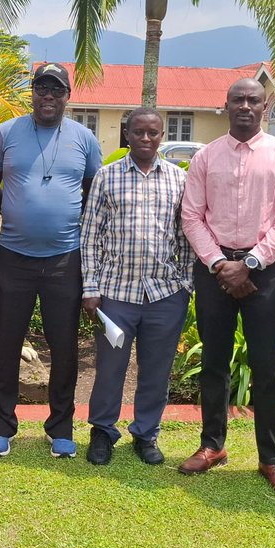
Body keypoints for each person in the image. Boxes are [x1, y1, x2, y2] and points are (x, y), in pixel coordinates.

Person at [178, 78, 275, 497]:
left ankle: (271, 459)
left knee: (266, 367)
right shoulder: (206, 158)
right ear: (225, 105)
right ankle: (212, 445)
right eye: (238, 100)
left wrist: (248, 264)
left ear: (264, 107)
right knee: (214, 362)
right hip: (214, 271)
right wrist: (219, 263)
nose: (245, 106)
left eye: (253, 100)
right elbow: (192, 216)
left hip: (262, 271)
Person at [0, 62, 101, 459]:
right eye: (41, 89)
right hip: (13, 259)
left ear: (68, 96)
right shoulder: (6, 134)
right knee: (6, 344)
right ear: (31, 92)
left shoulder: (84, 139)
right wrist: (18, 212)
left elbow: (91, 192)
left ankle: (60, 427)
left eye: (57, 90)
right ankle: (2, 425)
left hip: (65, 260)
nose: (48, 96)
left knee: (64, 346)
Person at [80, 108, 193, 466]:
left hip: (164, 295)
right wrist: (91, 286)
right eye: (139, 132)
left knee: (156, 370)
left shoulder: (178, 179)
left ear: (162, 136)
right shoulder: (106, 176)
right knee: (110, 368)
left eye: (153, 133)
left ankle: (146, 434)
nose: (146, 139)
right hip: (116, 294)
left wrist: (185, 285)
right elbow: (89, 236)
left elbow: (186, 237)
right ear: (127, 134)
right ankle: (102, 432)